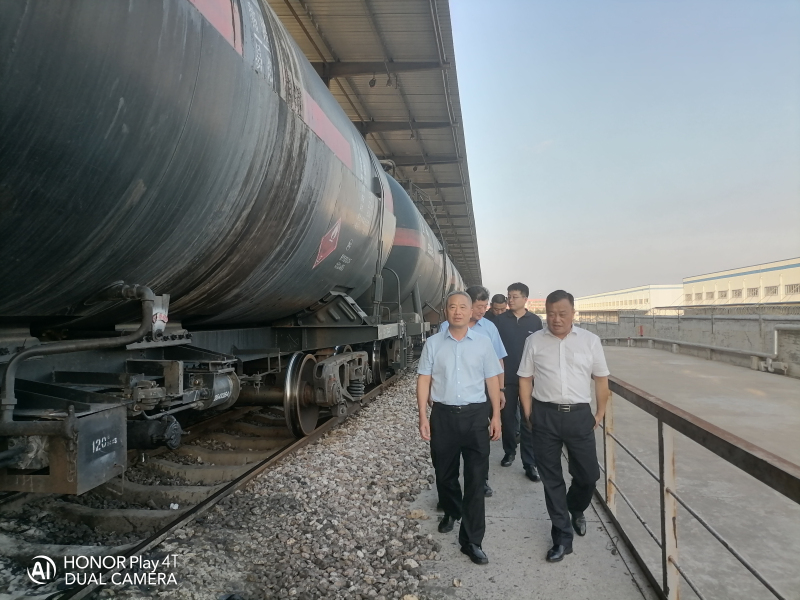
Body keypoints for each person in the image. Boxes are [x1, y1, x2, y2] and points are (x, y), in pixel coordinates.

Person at [517, 290, 610, 563]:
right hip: (544, 415)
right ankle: (562, 537)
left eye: (562, 313)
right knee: (552, 479)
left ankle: (575, 507)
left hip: (579, 416)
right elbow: (525, 378)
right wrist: (528, 413)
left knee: (589, 475)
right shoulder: (534, 341)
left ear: (573, 313)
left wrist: (600, 412)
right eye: (551, 314)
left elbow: (601, 379)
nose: (556, 319)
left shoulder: (590, 341)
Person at [417, 291, 503, 565]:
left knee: (476, 480)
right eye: (452, 307)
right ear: (446, 311)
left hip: (475, 416)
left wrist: (496, 416)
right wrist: (422, 416)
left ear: (470, 311)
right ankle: (452, 510)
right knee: (444, 473)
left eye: (462, 307)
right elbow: (424, 379)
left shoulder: (483, 343)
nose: (457, 311)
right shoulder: (433, 344)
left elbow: (492, 380)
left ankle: (472, 540)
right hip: (443, 416)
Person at [440, 285, 507, 497]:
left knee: (479, 443)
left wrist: (501, 389)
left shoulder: (489, 328)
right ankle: (449, 494)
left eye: (485, 306)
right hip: (452, 394)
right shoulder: (445, 327)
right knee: (448, 449)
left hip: (482, 391)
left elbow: (499, 360)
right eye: (479, 306)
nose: (482, 310)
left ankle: (481, 481)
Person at [493, 282, 543, 481]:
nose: (510, 300)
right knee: (507, 419)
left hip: (528, 380)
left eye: (514, 297)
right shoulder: (500, 321)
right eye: (509, 297)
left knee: (528, 420)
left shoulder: (535, 322)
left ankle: (530, 463)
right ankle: (509, 451)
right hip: (507, 379)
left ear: (525, 299)